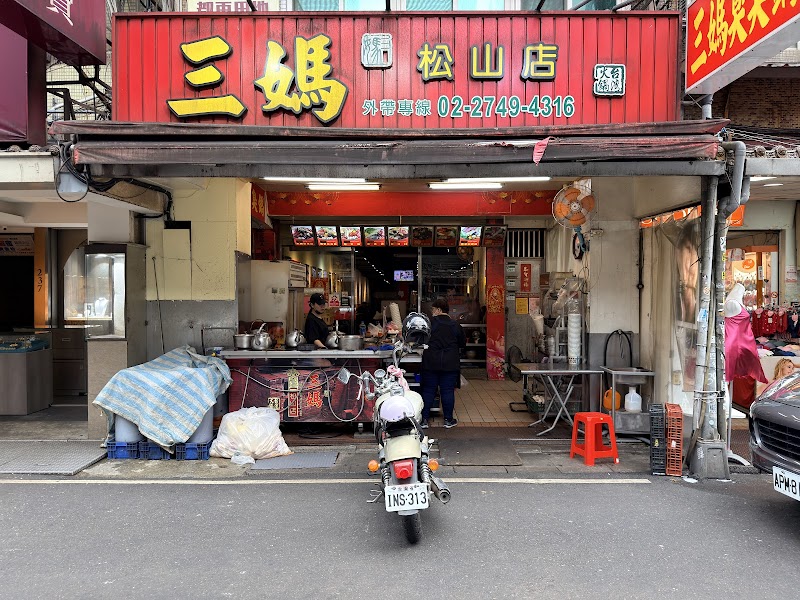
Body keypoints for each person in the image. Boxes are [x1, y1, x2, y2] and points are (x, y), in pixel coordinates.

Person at [420, 298, 466, 429]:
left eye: (433, 310)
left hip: (431, 361)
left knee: (428, 390)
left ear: (439, 310)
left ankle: (424, 420)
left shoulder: (429, 324)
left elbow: (420, 340)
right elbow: (462, 343)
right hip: (450, 363)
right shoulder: (455, 325)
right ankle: (448, 420)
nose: (432, 312)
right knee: (447, 391)